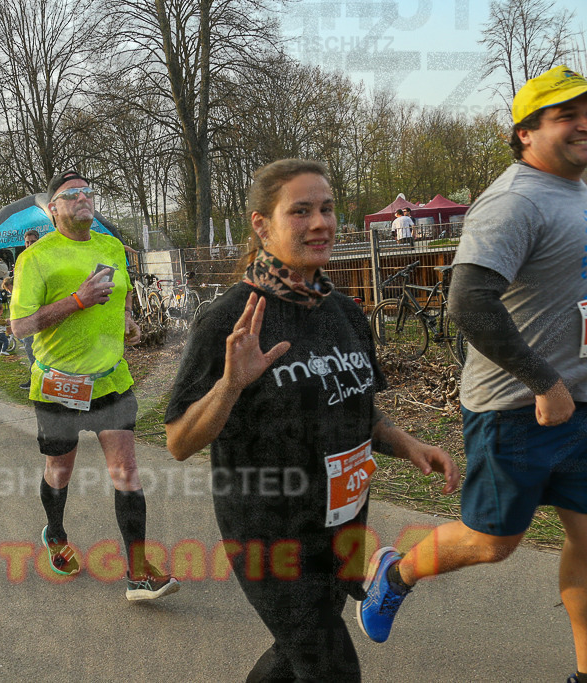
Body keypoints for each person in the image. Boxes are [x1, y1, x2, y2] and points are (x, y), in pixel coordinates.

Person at [164, 159, 458, 680]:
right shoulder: (230, 320)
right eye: (300, 211)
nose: (321, 223)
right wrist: (231, 384)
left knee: (294, 655)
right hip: (268, 534)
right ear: (262, 224)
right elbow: (180, 441)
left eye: (326, 208)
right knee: (331, 667)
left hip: (342, 524)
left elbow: (356, 405)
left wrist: (405, 442)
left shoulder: (343, 312)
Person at [358, 65, 587, 683]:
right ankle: (396, 572)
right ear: (526, 132)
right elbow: (468, 303)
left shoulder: (580, 194)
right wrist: (546, 381)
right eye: (567, 115)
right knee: (493, 542)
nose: (584, 123)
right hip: (517, 409)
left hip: (580, 407)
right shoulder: (514, 200)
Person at [11, 170, 178, 601]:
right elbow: (20, 325)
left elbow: (118, 297)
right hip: (59, 384)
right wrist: (76, 301)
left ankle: (138, 574)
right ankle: (57, 533)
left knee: (126, 470)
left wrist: (126, 324)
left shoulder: (111, 248)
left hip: (110, 379)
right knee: (60, 470)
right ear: (53, 210)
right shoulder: (35, 258)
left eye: (87, 192)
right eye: (71, 195)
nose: (82, 198)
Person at [16, 229, 40, 389]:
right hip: (26, 311)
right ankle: (35, 378)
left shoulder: (44, 258)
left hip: (41, 310)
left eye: (33, 241)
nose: (30, 244)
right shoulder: (23, 259)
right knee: (29, 345)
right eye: (27, 242)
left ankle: (41, 380)